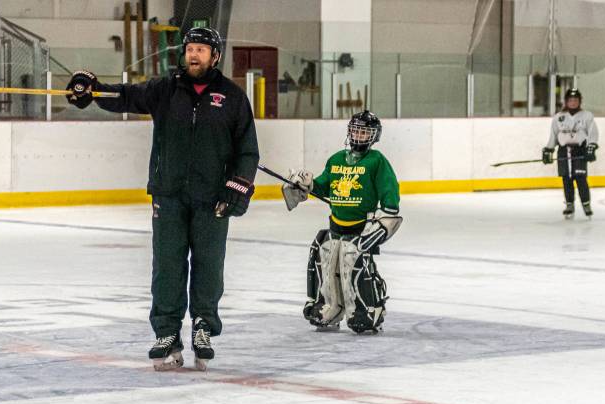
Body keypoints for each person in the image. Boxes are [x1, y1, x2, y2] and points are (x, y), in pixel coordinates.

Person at [64, 27, 259, 371]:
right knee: (167, 266)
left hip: (212, 198)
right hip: (168, 195)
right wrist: (91, 91)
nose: (194, 55)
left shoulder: (232, 96)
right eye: (190, 49)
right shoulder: (165, 89)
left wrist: (237, 188)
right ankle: (167, 332)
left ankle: (203, 327)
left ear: (215, 56)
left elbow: (247, 150)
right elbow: (126, 96)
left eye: (201, 49)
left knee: (208, 266)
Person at [283, 110, 401, 334]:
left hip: (360, 227)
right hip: (336, 225)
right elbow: (322, 185)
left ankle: (366, 309)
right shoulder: (336, 159)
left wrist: (384, 220)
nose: (358, 135)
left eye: (364, 132)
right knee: (324, 258)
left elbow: (390, 196)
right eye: (355, 130)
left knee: (352, 260)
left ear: (374, 136)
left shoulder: (377, 161)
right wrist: (305, 185)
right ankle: (329, 307)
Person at [543, 88, 599, 219]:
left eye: (575, 100)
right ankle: (569, 205)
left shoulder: (587, 116)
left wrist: (591, 146)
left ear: (579, 101)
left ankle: (586, 205)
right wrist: (549, 149)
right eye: (570, 100)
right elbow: (554, 135)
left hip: (579, 150)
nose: (573, 102)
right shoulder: (558, 117)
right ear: (566, 101)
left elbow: (592, 133)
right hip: (563, 151)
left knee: (580, 179)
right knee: (566, 180)